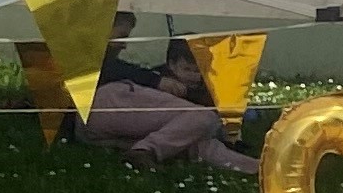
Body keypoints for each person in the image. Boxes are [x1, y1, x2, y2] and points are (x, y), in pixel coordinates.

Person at [82, 38, 255, 174]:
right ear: (171, 65)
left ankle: (258, 169)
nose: (195, 77)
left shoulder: (203, 91)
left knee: (195, 143)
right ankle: (144, 151)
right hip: (108, 104)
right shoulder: (158, 78)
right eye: (188, 69)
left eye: (199, 71)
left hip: (100, 133)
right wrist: (156, 81)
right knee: (204, 117)